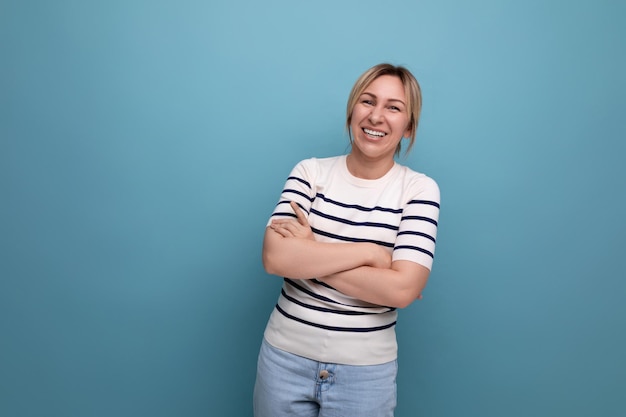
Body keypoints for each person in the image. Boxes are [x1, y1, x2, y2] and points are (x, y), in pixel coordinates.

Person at [253, 63, 440, 417]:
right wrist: (372, 255)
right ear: (352, 109)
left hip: (366, 375)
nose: (377, 116)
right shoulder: (310, 172)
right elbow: (275, 258)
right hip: (283, 360)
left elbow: (401, 291)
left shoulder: (418, 190)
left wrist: (310, 254)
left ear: (408, 127)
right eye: (367, 101)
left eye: (393, 107)